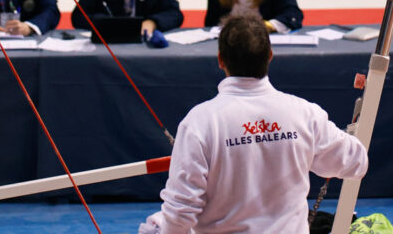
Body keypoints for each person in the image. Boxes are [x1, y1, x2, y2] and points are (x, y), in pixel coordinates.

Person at [140, 14, 367, 234]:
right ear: (269, 56)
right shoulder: (304, 114)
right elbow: (356, 163)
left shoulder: (199, 122)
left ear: (220, 60)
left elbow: (180, 211)